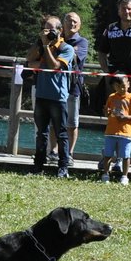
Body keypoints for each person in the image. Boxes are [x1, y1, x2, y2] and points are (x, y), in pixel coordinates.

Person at [27, 15, 76, 178]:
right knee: (41, 133)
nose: (48, 32)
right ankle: (38, 166)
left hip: (58, 97)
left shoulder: (66, 48)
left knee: (61, 133)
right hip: (41, 95)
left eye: (51, 29)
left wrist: (46, 47)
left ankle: (63, 168)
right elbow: (29, 60)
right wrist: (40, 42)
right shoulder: (42, 45)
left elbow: (55, 66)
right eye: (45, 29)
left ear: (60, 31)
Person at [98, 74, 131, 185]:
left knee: (126, 155)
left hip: (126, 132)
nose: (121, 89)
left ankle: (124, 176)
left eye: (123, 86)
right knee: (108, 154)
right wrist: (106, 111)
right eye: (117, 86)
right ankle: (106, 174)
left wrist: (126, 117)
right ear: (114, 87)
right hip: (111, 131)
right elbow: (107, 112)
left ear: (128, 84)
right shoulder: (112, 97)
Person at [62, 11, 92, 156]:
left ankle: (69, 153)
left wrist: (61, 51)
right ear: (63, 23)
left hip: (73, 87)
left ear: (79, 25)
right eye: (69, 20)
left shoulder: (82, 42)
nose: (72, 24)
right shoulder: (57, 39)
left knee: (72, 123)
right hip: (56, 85)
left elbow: (74, 60)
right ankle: (54, 151)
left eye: (75, 21)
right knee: (56, 120)